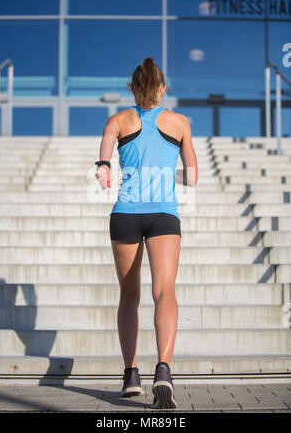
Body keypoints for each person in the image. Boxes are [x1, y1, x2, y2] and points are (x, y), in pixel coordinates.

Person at [95, 57, 198, 409]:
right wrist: (170, 177)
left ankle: (130, 375)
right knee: (164, 291)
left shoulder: (120, 119)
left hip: (126, 213)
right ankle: (164, 371)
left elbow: (108, 139)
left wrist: (105, 165)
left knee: (129, 297)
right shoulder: (180, 122)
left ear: (133, 89)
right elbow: (193, 177)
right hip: (163, 216)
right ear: (163, 88)